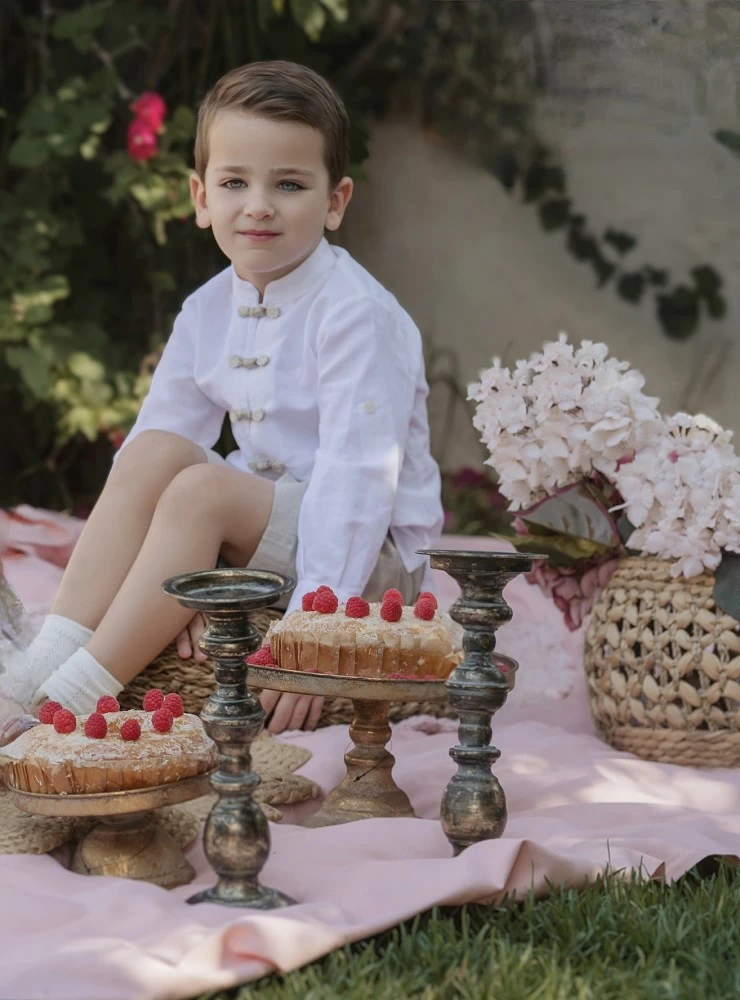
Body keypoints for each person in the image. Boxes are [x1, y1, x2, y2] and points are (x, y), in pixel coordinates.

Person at [1, 60, 443, 738]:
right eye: (234, 182)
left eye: (289, 184)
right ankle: (41, 664)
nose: (258, 204)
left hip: (366, 554)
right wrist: (189, 574)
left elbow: (359, 477)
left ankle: (71, 698)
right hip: (272, 525)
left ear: (336, 200)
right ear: (201, 197)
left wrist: (317, 624)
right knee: (154, 452)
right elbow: (155, 458)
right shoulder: (208, 307)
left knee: (202, 490)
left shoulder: (355, 313)